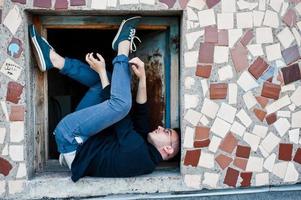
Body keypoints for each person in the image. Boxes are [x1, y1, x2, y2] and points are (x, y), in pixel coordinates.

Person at [29, 16, 180, 182]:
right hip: (81, 139)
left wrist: (102, 71)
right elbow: (141, 114)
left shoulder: (139, 155)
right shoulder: (146, 149)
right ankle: (54, 60)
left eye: (167, 132)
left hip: (70, 138)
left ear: (167, 149)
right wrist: (142, 78)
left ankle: (123, 45)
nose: (160, 127)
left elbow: (119, 114)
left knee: (121, 104)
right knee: (105, 83)